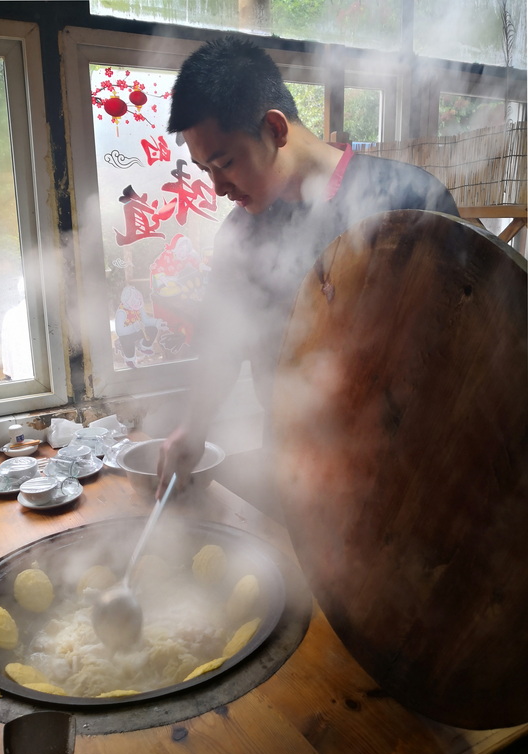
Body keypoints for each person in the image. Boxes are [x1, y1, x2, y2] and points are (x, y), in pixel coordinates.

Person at [156, 34, 459, 498]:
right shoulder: (241, 234)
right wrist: (192, 428)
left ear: (276, 129)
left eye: (225, 162)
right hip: (292, 475)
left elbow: (461, 345)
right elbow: (222, 345)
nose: (217, 188)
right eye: (204, 170)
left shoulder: (409, 200)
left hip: (406, 482)